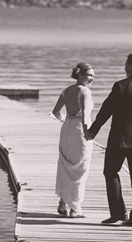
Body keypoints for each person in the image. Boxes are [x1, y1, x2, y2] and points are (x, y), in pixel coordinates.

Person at [85, 53, 132, 227]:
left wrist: (93, 131)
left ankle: (118, 213)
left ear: (130, 66)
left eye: (125, 64)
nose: (124, 67)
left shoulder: (121, 86)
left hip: (119, 139)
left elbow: (106, 110)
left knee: (111, 172)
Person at [52, 62, 94, 218]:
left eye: (93, 76)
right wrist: (87, 133)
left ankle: (62, 203)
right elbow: (85, 116)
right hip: (79, 130)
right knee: (79, 167)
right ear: (80, 75)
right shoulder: (85, 92)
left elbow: (55, 112)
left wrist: (66, 121)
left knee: (65, 165)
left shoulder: (66, 90)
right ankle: (75, 209)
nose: (92, 79)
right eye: (90, 75)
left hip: (67, 128)